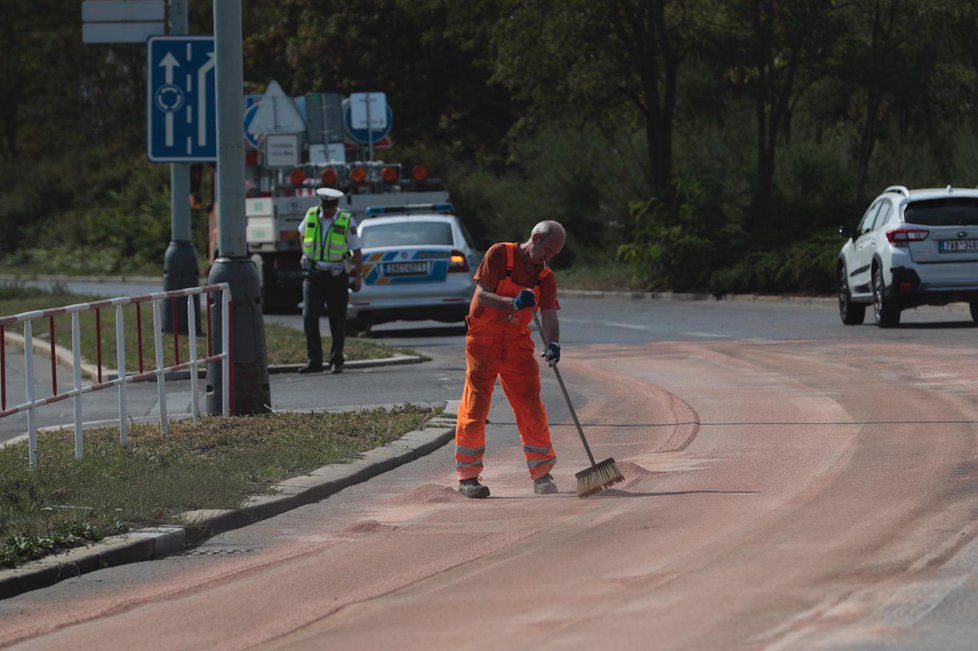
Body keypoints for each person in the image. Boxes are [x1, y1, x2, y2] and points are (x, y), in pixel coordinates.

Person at [455, 220, 566, 498]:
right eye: (548, 250)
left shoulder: (546, 278)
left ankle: (542, 474)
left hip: (517, 344)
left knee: (531, 406)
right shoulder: (499, 255)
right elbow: (481, 296)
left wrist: (553, 343)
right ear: (536, 238)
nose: (548, 257)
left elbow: (550, 313)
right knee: (476, 405)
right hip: (484, 342)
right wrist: (514, 302)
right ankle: (468, 477)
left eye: (554, 254)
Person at [297, 187, 364, 374]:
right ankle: (314, 361)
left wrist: (358, 275)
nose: (327, 211)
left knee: (337, 319)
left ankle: (336, 359)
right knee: (309, 317)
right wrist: (306, 254)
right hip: (313, 275)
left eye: (330, 207)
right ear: (321, 204)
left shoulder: (345, 220)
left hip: (336, 276)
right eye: (325, 207)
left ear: (336, 205)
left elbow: (356, 249)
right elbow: (302, 234)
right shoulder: (311, 214)